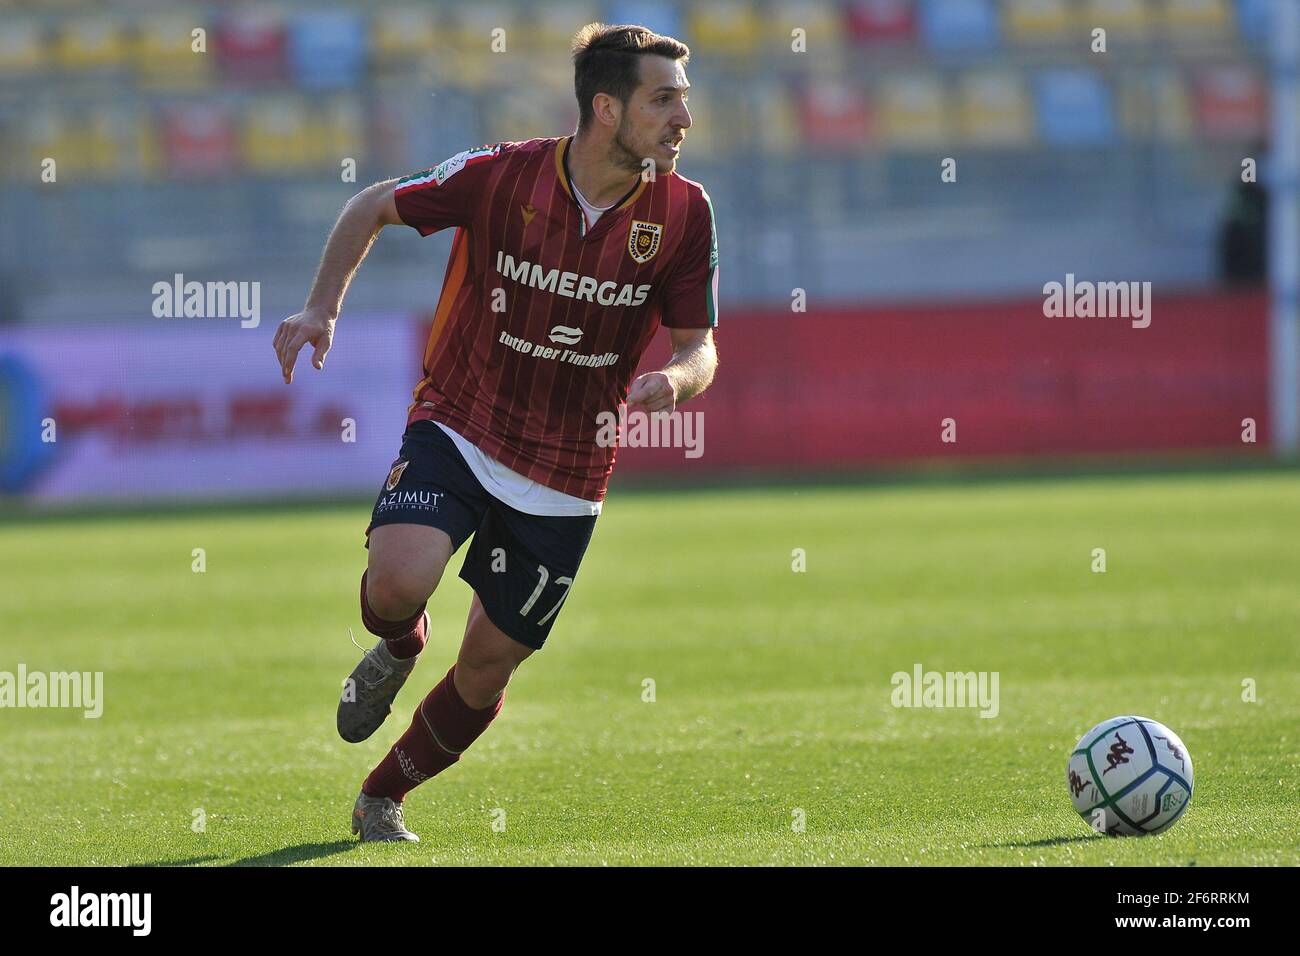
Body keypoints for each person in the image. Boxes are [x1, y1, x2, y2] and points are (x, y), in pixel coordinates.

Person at [272, 23, 719, 842]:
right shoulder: (503, 174)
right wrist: (321, 307)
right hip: (463, 422)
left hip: (568, 469)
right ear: (607, 107)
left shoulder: (685, 213)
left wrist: (677, 379)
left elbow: (699, 345)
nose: (682, 119)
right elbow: (372, 205)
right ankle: (398, 647)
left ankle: (381, 797)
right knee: (397, 585)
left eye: (683, 102)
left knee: (486, 668)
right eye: (664, 101)